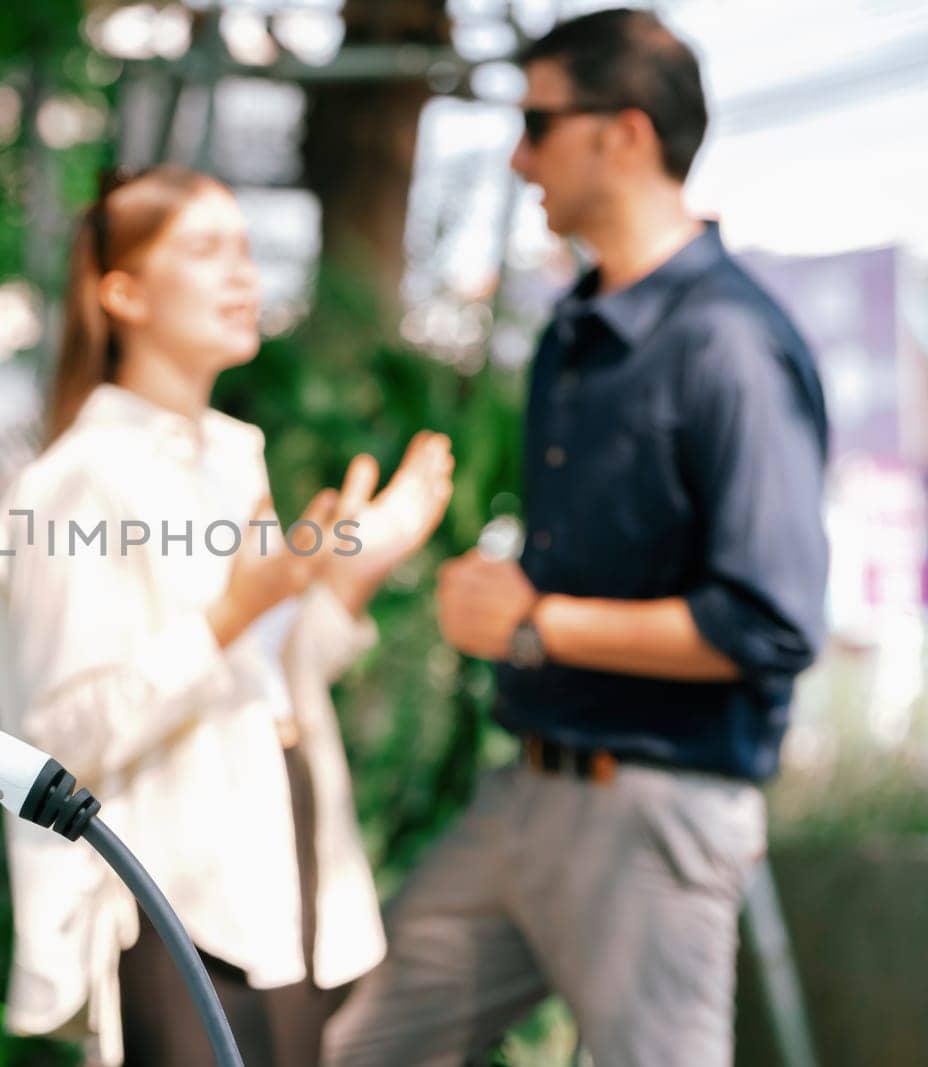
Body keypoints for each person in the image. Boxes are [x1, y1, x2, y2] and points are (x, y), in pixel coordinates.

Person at [324, 10, 829, 1067]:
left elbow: (768, 623)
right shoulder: (571, 329)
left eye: (538, 122)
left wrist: (534, 621)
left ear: (624, 133)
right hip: (525, 792)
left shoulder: (729, 344)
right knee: (364, 1048)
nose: (517, 155)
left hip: (652, 812)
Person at [0, 164, 454, 1067]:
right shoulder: (77, 481)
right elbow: (59, 736)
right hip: (174, 899)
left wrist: (368, 561)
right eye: (206, 250)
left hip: (291, 865)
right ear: (121, 291)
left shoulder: (235, 458)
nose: (242, 275)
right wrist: (238, 606)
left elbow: (280, 676)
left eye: (245, 250)